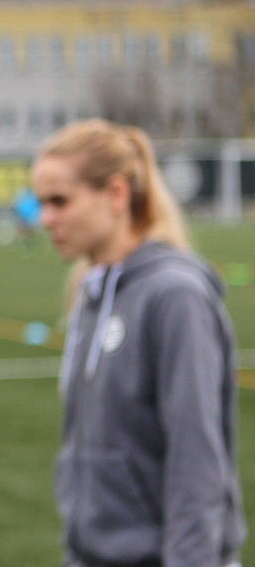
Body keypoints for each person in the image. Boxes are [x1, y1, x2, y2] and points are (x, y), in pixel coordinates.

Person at [31, 119, 246, 567]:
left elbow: (197, 463)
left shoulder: (175, 296)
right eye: (41, 203)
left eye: (59, 202)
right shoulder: (89, 290)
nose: (44, 219)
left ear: (115, 194)